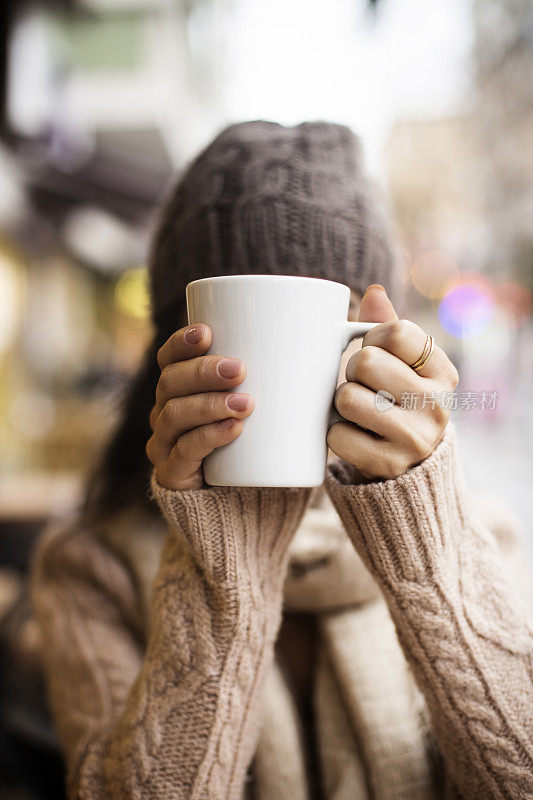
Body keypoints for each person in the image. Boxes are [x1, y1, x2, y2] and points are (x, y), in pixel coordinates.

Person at [31, 121, 533, 800]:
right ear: (168, 354)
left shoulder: (479, 542)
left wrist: (424, 541)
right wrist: (222, 569)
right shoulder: (91, 568)